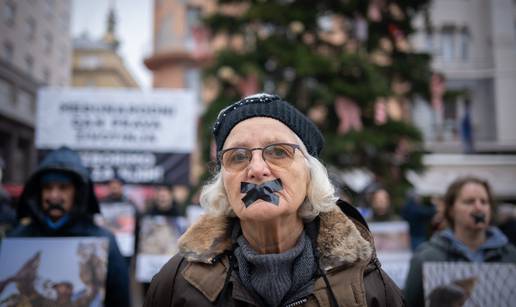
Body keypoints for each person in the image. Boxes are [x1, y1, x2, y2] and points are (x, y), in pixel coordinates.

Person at [144, 93, 404, 306]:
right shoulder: (177, 283)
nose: (257, 169)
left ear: (310, 175)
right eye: (238, 156)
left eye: (278, 152)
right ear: (224, 184)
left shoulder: (367, 285)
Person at [7, 146, 130, 307]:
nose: (54, 196)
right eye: (48, 188)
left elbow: (120, 300)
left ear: (78, 193)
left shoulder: (103, 242)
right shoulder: (18, 239)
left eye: (63, 188)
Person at [404, 176, 516, 307]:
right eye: (469, 202)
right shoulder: (426, 257)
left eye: (484, 202)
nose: (479, 207)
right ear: (451, 210)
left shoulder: (510, 256)